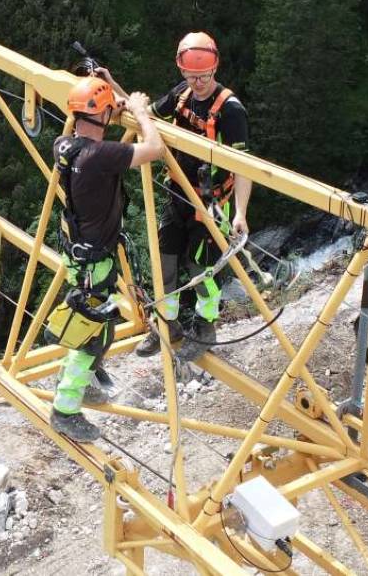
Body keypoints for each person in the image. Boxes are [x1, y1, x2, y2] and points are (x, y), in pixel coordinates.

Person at [98, 32, 250, 360]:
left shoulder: (231, 110)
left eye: (203, 76)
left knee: (202, 269)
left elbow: (244, 166)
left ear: (215, 69)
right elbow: (145, 116)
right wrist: (114, 87)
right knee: (164, 262)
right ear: (182, 71)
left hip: (211, 205)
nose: (197, 82)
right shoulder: (182, 94)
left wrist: (240, 212)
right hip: (178, 193)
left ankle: (204, 327)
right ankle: (166, 323)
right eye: (190, 75)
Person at [49, 76, 164, 443]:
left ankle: (82, 384)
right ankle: (65, 409)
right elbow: (154, 149)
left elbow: (93, 124)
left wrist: (109, 101)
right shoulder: (101, 156)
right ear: (103, 113)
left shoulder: (64, 145)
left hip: (79, 256)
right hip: (94, 261)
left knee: (98, 326)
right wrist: (141, 112)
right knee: (93, 337)